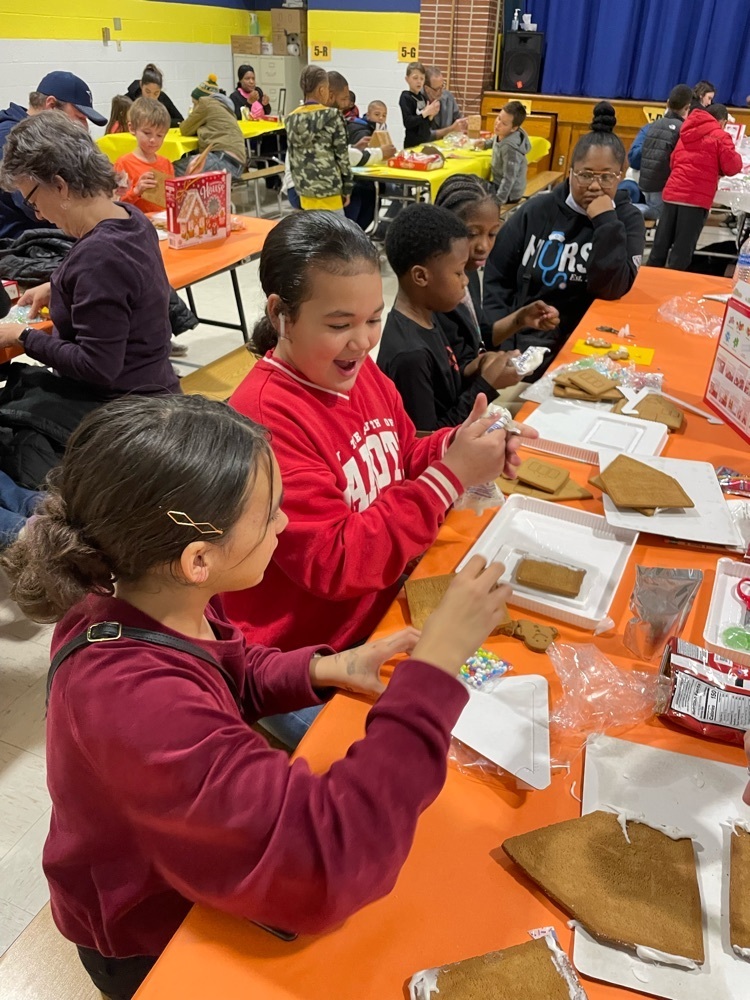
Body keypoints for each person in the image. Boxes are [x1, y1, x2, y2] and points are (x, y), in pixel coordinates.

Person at [0, 391, 511, 1000]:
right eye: (270, 514)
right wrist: (436, 670)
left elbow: (222, 669)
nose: (285, 524)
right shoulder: (133, 702)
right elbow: (329, 861)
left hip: (189, 866)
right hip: (153, 937)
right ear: (199, 558)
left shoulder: (150, 599)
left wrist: (323, 669)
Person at [226, 211, 534, 658]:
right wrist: (450, 476)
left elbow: (402, 457)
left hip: (385, 603)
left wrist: (457, 444)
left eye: (373, 319)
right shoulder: (262, 421)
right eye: (339, 325)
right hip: (316, 654)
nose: (364, 341)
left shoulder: (359, 373)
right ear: (281, 314)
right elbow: (335, 563)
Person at [0, 111, 179, 493]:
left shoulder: (98, 258)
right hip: (154, 390)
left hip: (123, 410)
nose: (38, 214)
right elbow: (120, 284)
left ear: (60, 186)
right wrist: (58, 285)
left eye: (33, 200)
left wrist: (23, 337)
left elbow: (98, 367)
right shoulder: (130, 219)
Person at [483, 101, 645, 377]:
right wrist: (504, 342)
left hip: (589, 351)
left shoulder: (627, 220)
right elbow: (497, 279)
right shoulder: (537, 211)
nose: (595, 185)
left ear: (620, 177)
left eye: (607, 177)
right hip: (523, 349)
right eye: (585, 175)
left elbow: (613, 288)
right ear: (570, 172)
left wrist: (605, 222)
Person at [378, 203, 526, 431]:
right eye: (458, 272)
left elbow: (446, 386)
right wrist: (486, 385)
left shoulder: (430, 315)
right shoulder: (410, 357)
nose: (465, 281)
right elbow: (427, 441)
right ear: (421, 276)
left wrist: (478, 367)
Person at [434, 175, 559, 357]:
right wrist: (488, 375)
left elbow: (480, 337)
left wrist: (520, 318)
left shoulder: (469, 271)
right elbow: (453, 370)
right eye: (472, 233)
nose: (483, 246)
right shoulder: (436, 291)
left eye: (492, 234)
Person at [0, 72, 107, 239]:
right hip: (17, 246)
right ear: (51, 105)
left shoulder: (40, 136)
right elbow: (36, 206)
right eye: (79, 117)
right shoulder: (10, 137)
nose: (84, 126)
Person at [648, 104, 742, 271]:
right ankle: (671, 290)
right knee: (681, 252)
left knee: (659, 247)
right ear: (723, 122)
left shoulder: (686, 131)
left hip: (672, 193)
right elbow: (733, 166)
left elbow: (673, 160)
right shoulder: (720, 136)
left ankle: (646, 283)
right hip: (695, 199)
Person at [328, 71, 395, 231]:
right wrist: (377, 153)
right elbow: (342, 155)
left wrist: (355, 148)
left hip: (346, 178)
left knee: (375, 191)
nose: (346, 104)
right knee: (369, 191)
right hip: (335, 183)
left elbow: (343, 151)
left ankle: (360, 233)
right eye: (343, 99)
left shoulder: (373, 128)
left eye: (383, 115)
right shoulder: (356, 127)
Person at [285, 66, 352, 215]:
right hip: (330, 189)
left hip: (304, 190)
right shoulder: (333, 115)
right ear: (322, 90)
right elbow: (342, 156)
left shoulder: (290, 118)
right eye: (327, 88)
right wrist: (347, 188)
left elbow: (293, 156)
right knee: (335, 234)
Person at [636, 84, 693, 219]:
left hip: (645, 182)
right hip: (661, 185)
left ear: (667, 103)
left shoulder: (654, 124)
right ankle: (629, 209)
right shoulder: (681, 129)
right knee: (659, 214)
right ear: (687, 108)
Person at [177, 75, 247, 179]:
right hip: (238, 166)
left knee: (172, 168)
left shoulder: (206, 102)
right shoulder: (226, 108)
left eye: (194, 103)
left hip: (221, 160)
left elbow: (185, 129)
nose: (194, 107)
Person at [115, 97, 173, 213]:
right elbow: (116, 204)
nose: (153, 140)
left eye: (160, 135)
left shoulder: (166, 163)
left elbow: (173, 200)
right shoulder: (123, 164)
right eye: (147, 133)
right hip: (136, 225)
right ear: (132, 128)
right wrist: (136, 191)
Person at [486, 101, 531, 204]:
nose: (498, 123)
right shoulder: (503, 133)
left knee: (473, 188)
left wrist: (499, 201)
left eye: (504, 123)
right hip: (499, 185)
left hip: (509, 194)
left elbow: (509, 178)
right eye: (499, 118)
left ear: (514, 128)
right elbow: (495, 140)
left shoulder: (510, 148)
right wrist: (484, 144)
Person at [126, 63, 183, 128]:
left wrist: (159, 122)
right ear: (141, 85)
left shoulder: (162, 97)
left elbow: (180, 121)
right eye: (147, 91)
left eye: (156, 93)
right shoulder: (128, 99)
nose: (151, 97)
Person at [400, 61, 440, 148]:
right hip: (412, 143)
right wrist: (425, 113)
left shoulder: (423, 97)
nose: (419, 81)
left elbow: (427, 124)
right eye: (415, 78)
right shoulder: (405, 97)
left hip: (425, 141)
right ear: (407, 79)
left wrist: (431, 115)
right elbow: (408, 122)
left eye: (422, 79)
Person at [424, 66, 467, 137]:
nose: (441, 92)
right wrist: (451, 129)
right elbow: (424, 136)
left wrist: (464, 123)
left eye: (442, 86)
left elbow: (458, 118)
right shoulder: (418, 102)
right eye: (437, 89)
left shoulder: (448, 97)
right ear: (427, 89)